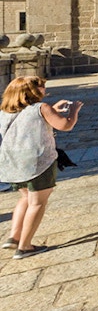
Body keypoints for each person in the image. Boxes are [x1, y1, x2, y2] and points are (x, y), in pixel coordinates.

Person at [0, 76, 81, 259]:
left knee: (25, 198)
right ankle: (25, 246)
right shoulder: (41, 108)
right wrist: (73, 111)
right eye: (42, 87)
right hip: (37, 162)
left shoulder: (5, 111)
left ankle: (13, 237)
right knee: (37, 203)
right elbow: (65, 125)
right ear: (32, 91)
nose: (44, 90)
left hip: (12, 162)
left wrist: (52, 109)